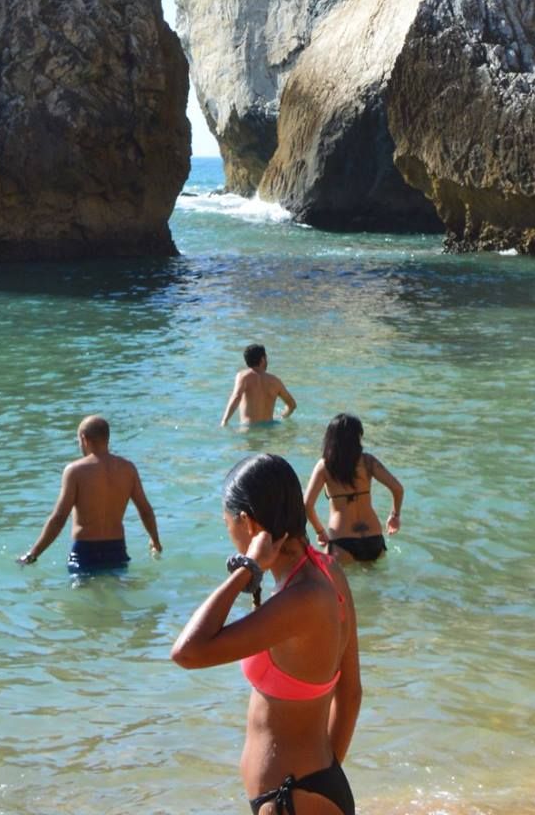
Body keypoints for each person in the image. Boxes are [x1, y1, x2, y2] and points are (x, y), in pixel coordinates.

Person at [171, 453, 360, 814]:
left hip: (294, 797)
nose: (228, 532)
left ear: (248, 522)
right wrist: (324, 779)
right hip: (309, 789)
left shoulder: (301, 600)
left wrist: (246, 570)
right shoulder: (327, 571)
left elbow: (187, 652)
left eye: (227, 522)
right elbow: (351, 694)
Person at [18, 414, 161, 572]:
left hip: (85, 551)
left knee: (84, 593)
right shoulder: (128, 468)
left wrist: (33, 554)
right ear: (107, 438)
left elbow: (59, 518)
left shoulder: (75, 471)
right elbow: (145, 510)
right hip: (117, 548)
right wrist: (155, 540)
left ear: (84, 439)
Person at [303, 415, 402, 564]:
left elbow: (307, 505)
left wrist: (320, 532)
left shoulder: (325, 466)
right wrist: (395, 515)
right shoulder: (368, 462)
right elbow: (397, 488)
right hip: (374, 538)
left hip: (342, 540)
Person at [221, 343, 297, 428]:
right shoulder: (275, 381)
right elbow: (292, 405)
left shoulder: (243, 377)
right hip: (269, 428)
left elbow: (236, 396)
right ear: (262, 359)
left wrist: (224, 421)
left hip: (248, 428)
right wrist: (282, 416)